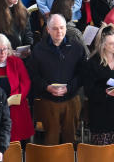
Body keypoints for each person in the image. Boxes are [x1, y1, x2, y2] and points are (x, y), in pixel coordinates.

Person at [27, 13, 84, 145]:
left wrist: (69, 88)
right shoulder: (39, 49)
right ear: (48, 29)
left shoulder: (76, 47)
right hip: (48, 100)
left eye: (62, 28)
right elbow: (33, 75)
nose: (59, 31)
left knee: (70, 138)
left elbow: (82, 74)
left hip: (71, 99)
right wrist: (47, 87)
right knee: (51, 139)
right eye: (55, 28)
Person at [81, 25, 114, 146]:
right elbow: (88, 91)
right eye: (111, 44)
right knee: (102, 155)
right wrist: (107, 92)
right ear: (103, 45)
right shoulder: (92, 63)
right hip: (101, 116)